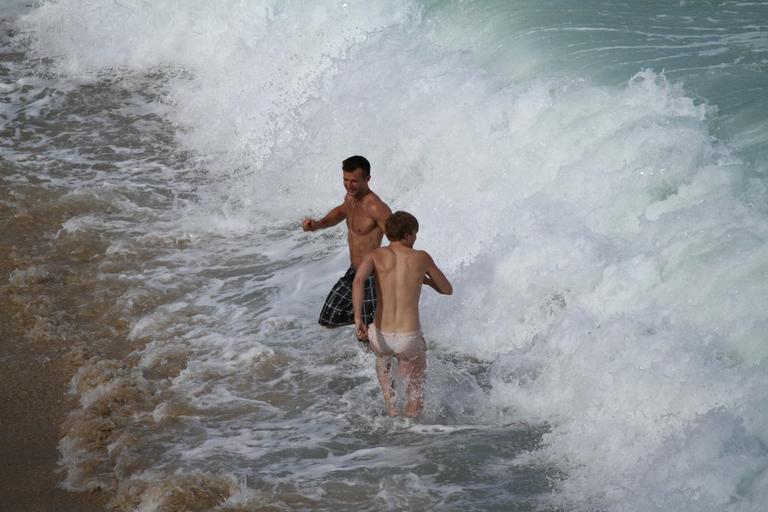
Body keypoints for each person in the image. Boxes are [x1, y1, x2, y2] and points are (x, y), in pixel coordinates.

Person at [352, 211, 452, 418]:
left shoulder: (375, 255)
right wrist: (423, 280)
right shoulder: (421, 258)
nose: (415, 239)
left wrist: (358, 320)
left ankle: (391, 435)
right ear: (407, 235)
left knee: (391, 403)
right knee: (415, 401)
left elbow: (358, 281)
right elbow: (446, 289)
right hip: (408, 337)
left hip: (380, 336)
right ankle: (409, 443)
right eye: (414, 235)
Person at [303, 156, 391, 339]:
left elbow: (396, 239)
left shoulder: (376, 208)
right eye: (345, 180)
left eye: (354, 181)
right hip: (353, 273)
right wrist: (317, 225)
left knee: (369, 340)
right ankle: (379, 320)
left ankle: (381, 328)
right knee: (329, 317)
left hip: (371, 277)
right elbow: (340, 212)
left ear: (367, 179)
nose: (349, 185)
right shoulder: (350, 198)